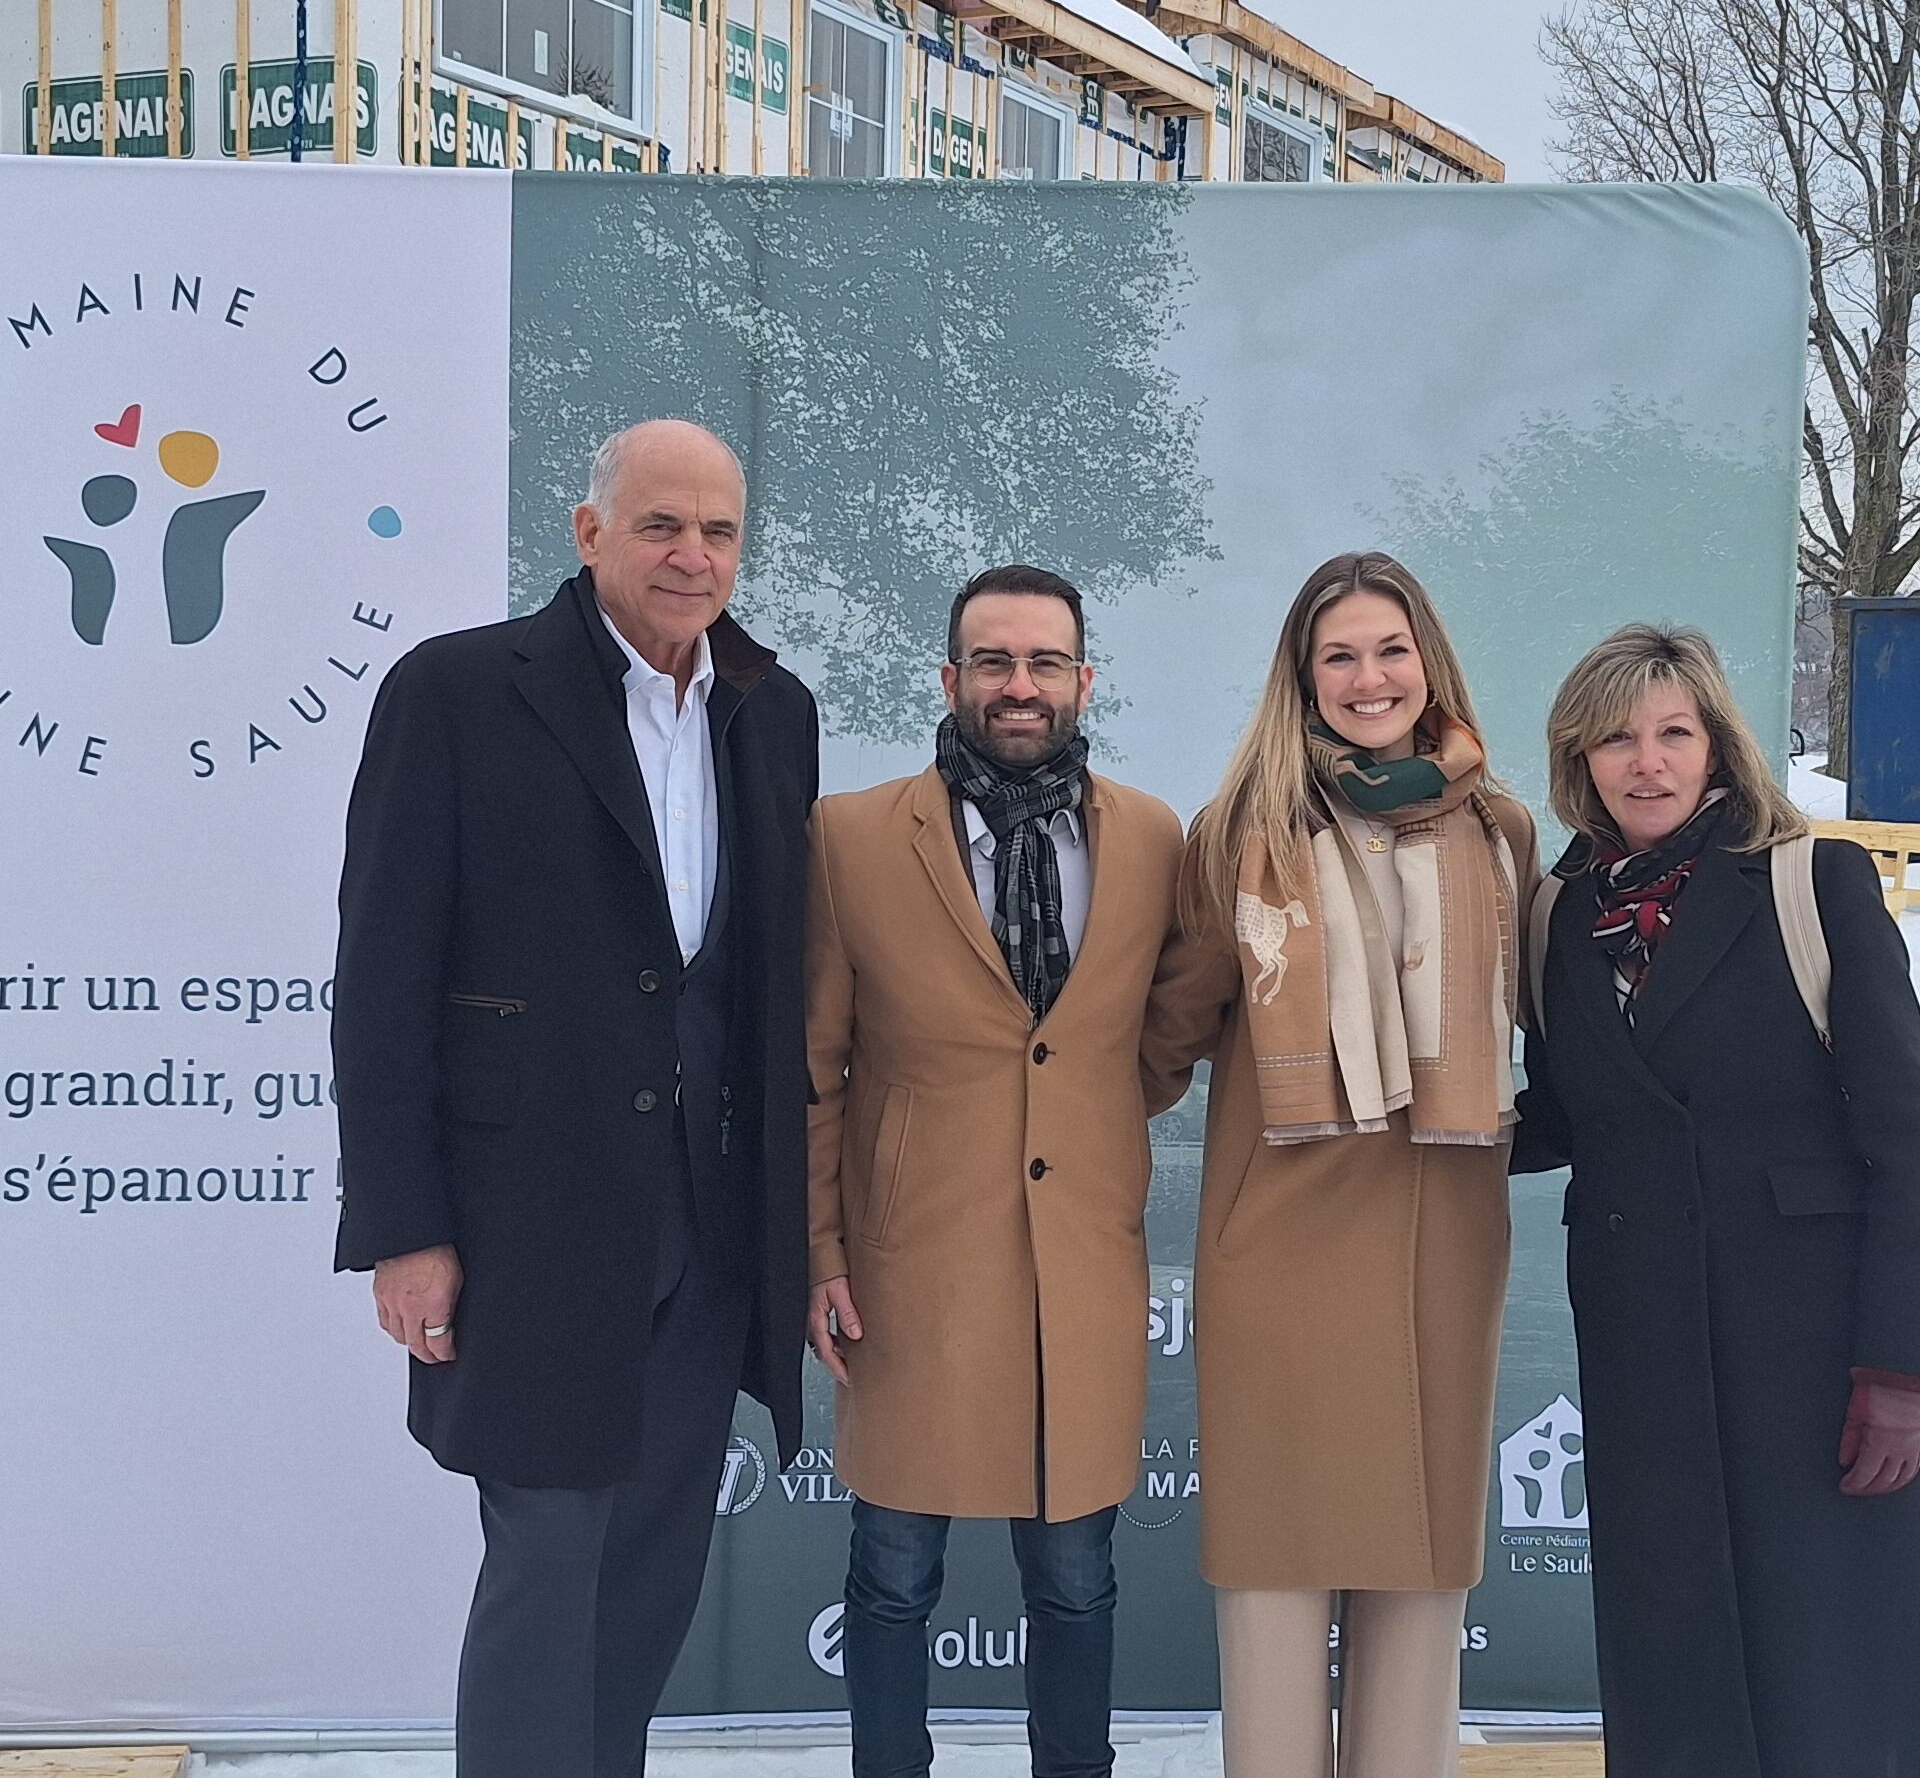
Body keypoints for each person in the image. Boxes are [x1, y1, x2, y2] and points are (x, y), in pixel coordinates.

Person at [331, 419, 819, 1778]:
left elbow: (762, 979)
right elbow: (380, 974)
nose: (693, 554)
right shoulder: (458, 690)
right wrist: (404, 1229)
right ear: (588, 530)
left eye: (719, 530)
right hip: (524, 1225)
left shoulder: (770, 707)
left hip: (708, 1225)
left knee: (652, 1569)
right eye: (661, 524)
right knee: (548, 1558)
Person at [1142, 550, 1536, 1778]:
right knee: (1274, 1569)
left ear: (1429, 663)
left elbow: (1564, 1022)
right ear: (1303, 679)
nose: (1370, 677)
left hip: (1443, 1236)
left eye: (1390, 649)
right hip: (1283, 1245)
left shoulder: (1500, 827)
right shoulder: (1238, 833)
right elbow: (1162, 1035)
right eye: (1341, 655)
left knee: (1421, 1572)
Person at [1513, 624, 1920, 1778]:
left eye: (1673, 733)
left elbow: (1907, 1138)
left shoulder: (1812, 882)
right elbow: (1569, 1114)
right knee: (1669, 1648)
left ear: (1718, 749)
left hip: (1816, 1352)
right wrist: (1416, 1131)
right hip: (1645, 1344)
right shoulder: (1557, 915)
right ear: (1578, 761)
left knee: (1830, 1660)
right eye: (1615, 740)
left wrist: (1900, 1370)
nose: (1647, 763)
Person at [804, 564, 1185, 1778]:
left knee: (1075, 1579)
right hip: (911, 1265)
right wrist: (818, 1252)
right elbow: (816, 1070)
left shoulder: (1154, 837)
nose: (1019, 687)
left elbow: (1154, 1038)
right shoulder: (853, 835)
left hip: (1080, 1263)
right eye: (993, 662)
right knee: (895, 1567)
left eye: (1043, 663)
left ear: (1084, 680)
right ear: (951, 677)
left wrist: (1084, 1117)